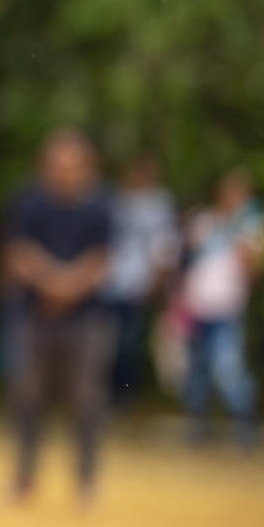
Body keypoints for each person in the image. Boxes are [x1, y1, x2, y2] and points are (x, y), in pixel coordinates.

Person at [2, 130, 112, 506]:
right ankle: (24, 479)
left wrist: (65, 286)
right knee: (27, 395)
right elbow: (17, 254)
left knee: (86, 399)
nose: (64, 173)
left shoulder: (100, 207)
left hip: (87, 320)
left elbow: (103, 261)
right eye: (57, 165)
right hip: (33, 317)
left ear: (86, 167)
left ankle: (86, 482)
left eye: (72, 165)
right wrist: (55, 282)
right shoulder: (29, 204)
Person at [180, 168, 264, 448]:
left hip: (227, 311)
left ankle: (246, 424)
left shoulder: (251, 226)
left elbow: (255, 271)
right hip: (196, 309)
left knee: (228, 370)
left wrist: (243, 242)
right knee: (197, 372)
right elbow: (187, 260)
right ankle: (198, 428)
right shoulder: (204, 221)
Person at [100, 156, 179, 406]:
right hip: (108, 284)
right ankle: (103, 395)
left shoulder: (159, 205)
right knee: (105, 344)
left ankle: (123, 397)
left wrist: (157, 281)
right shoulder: (114, 201)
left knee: (128, 345)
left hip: (137, 286)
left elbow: (165, 246)